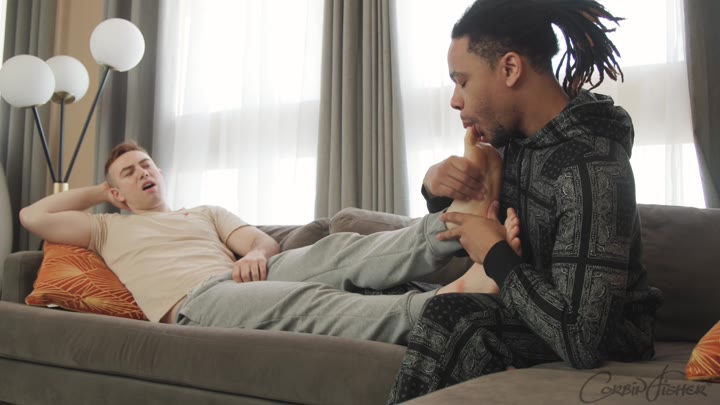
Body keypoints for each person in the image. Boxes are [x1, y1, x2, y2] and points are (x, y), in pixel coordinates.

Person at [388, 0, 663, 402]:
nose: (455, 100)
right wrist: (435, 187)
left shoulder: (592, 167)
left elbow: (585, 338)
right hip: (530, 309)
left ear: (510, 68)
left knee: (454, 319)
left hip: (607, 339)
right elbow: (471, 236)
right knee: (389, 291)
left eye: (462, 81)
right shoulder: (517, 145)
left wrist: (495, 253)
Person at [20, 139, 509, 346]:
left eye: (146, 164)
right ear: (117, 194)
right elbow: (32, 216)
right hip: (196, 301)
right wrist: (99, 191)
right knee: (307, 302)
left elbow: (258, 241)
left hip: (241, 276)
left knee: (337, 250)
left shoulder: (204, 212)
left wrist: (254, 254)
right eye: (128, 173)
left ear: (160, 171)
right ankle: (443, 303)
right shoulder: (107, 227)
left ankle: (454, 227)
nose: (142, 172)